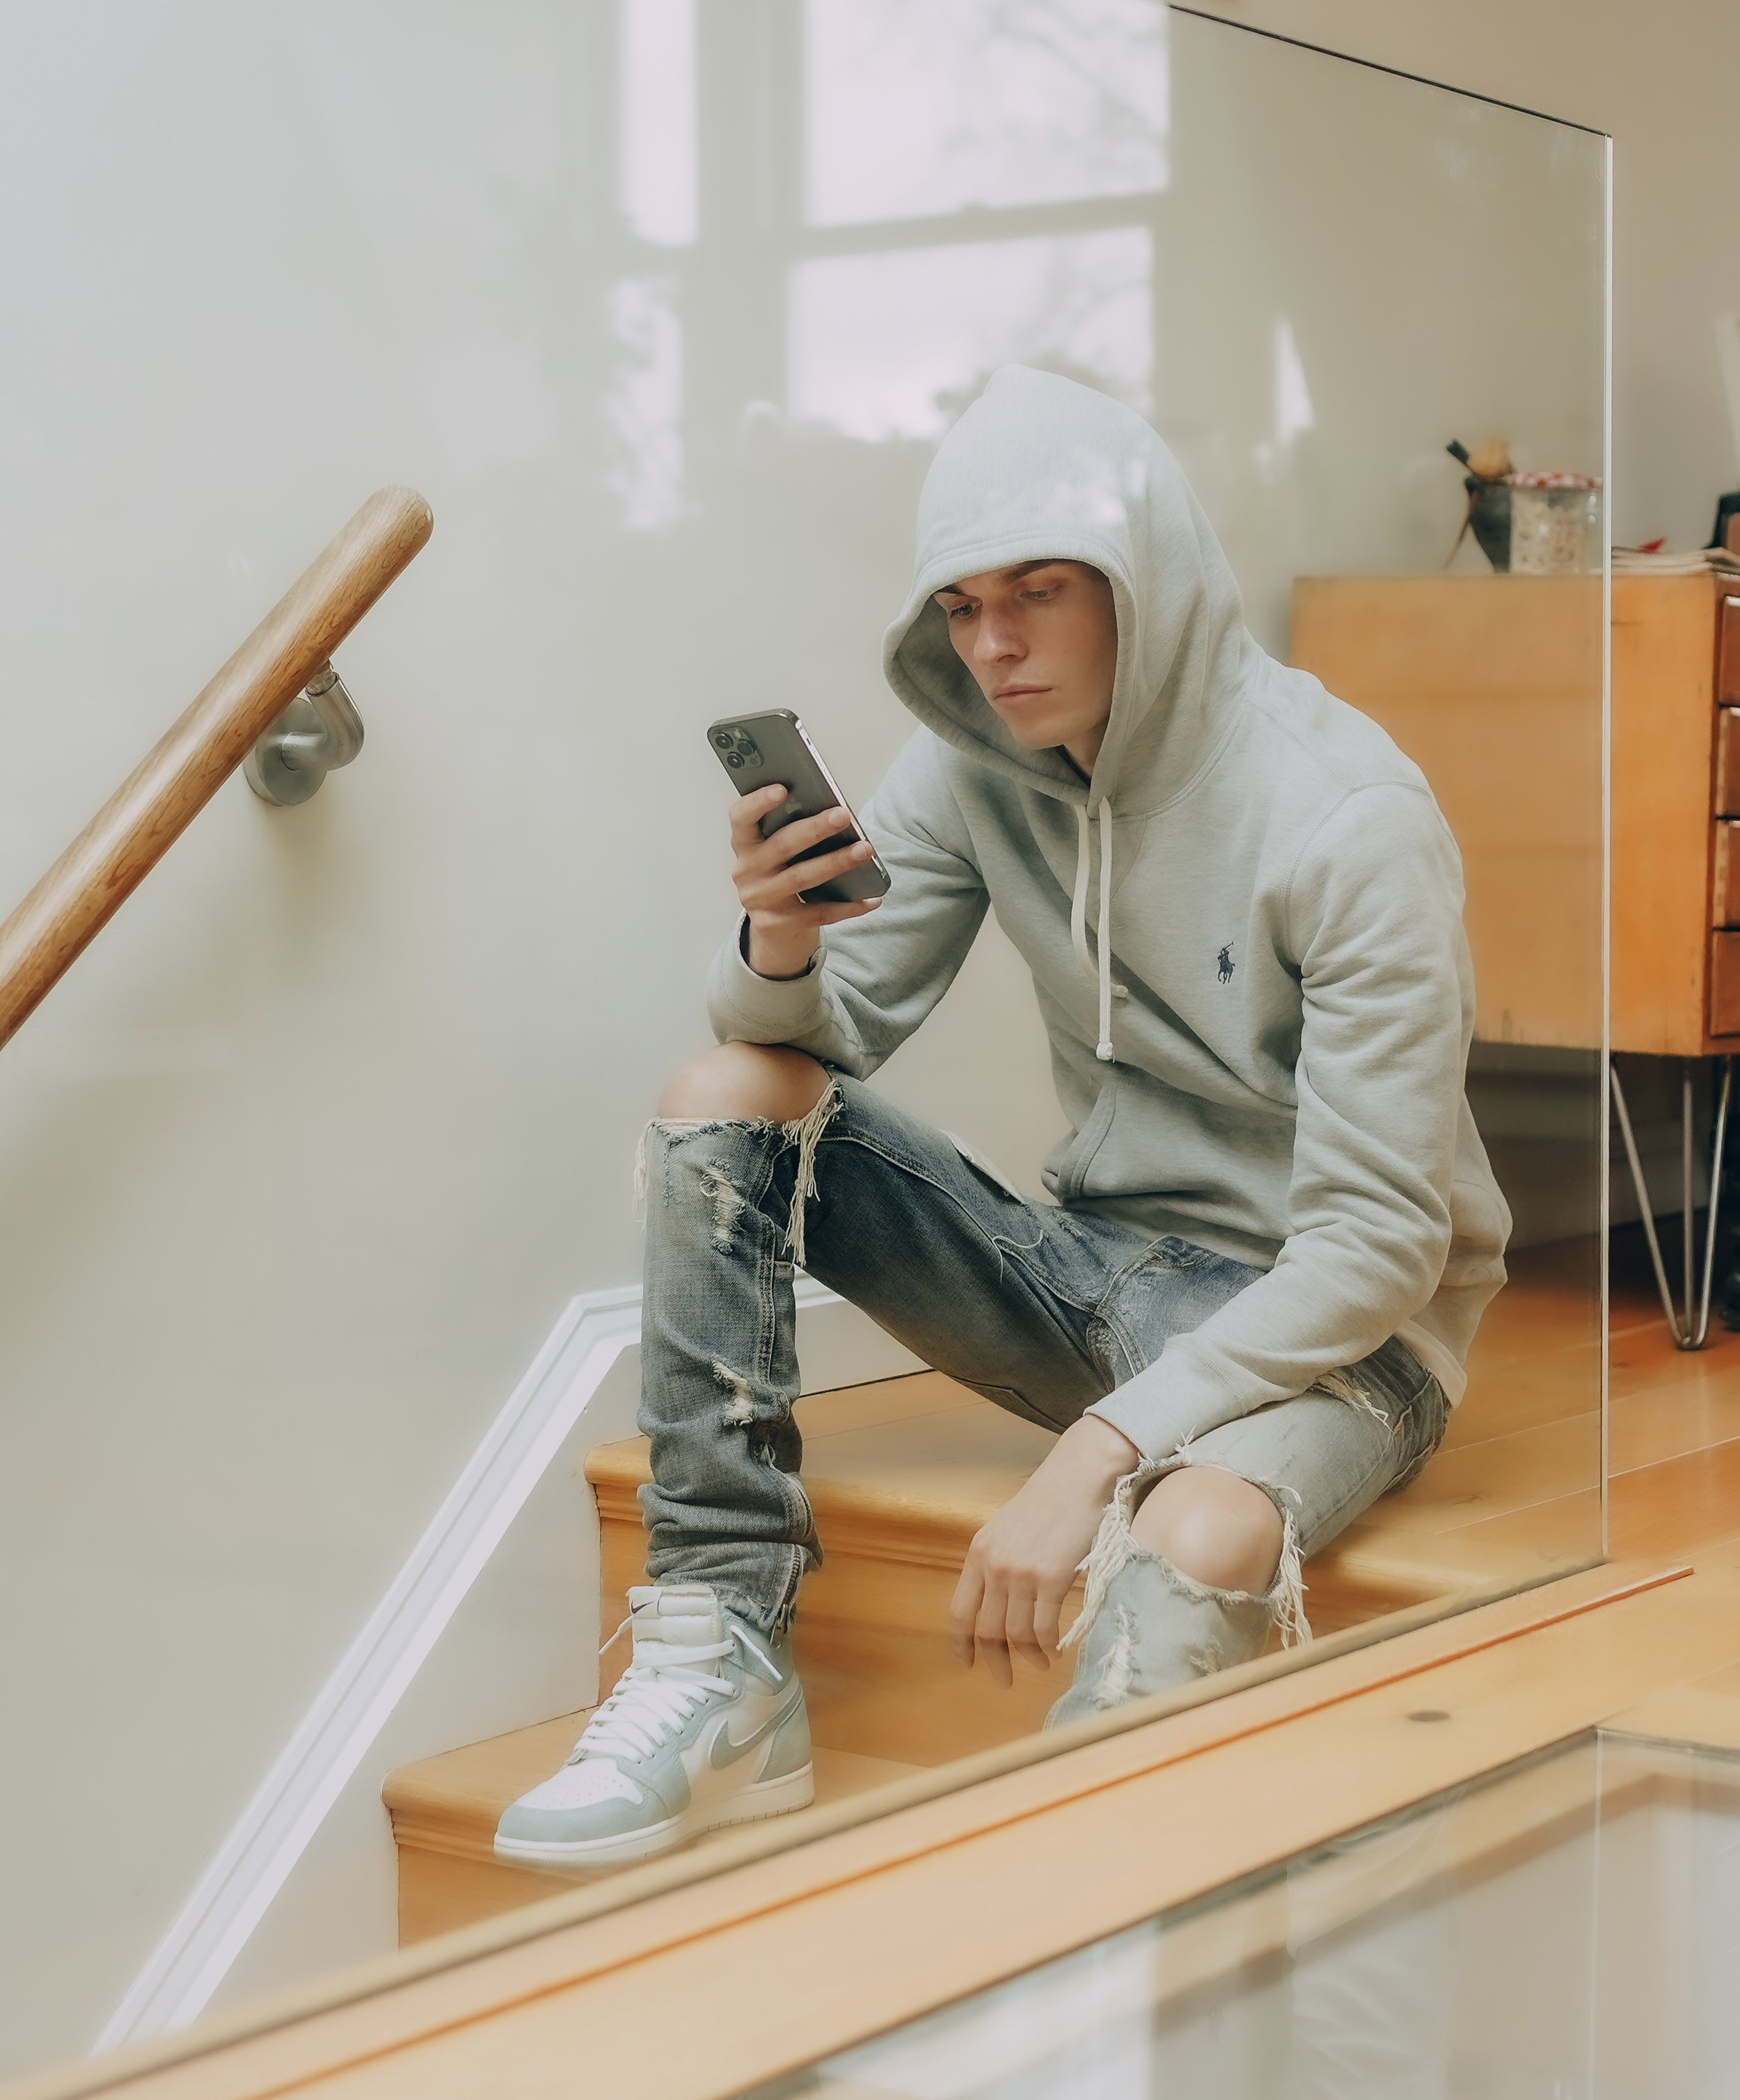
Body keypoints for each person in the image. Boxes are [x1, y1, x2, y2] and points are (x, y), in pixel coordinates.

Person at [495, 365, 1510, 1872]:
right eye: (961, 605)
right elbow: (815, 1043)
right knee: (724, 1091)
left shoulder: (1346, 816)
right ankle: (724, 1657)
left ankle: (1056, 1934)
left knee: (1205, 1535)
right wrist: (779, 942)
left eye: (1039, 591)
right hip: (1095, 1274)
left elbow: (1373, 1249)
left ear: (1142, 581)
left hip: (1336, 1336)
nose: (993, 645)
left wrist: (1092, 1456)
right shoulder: (975, 760)